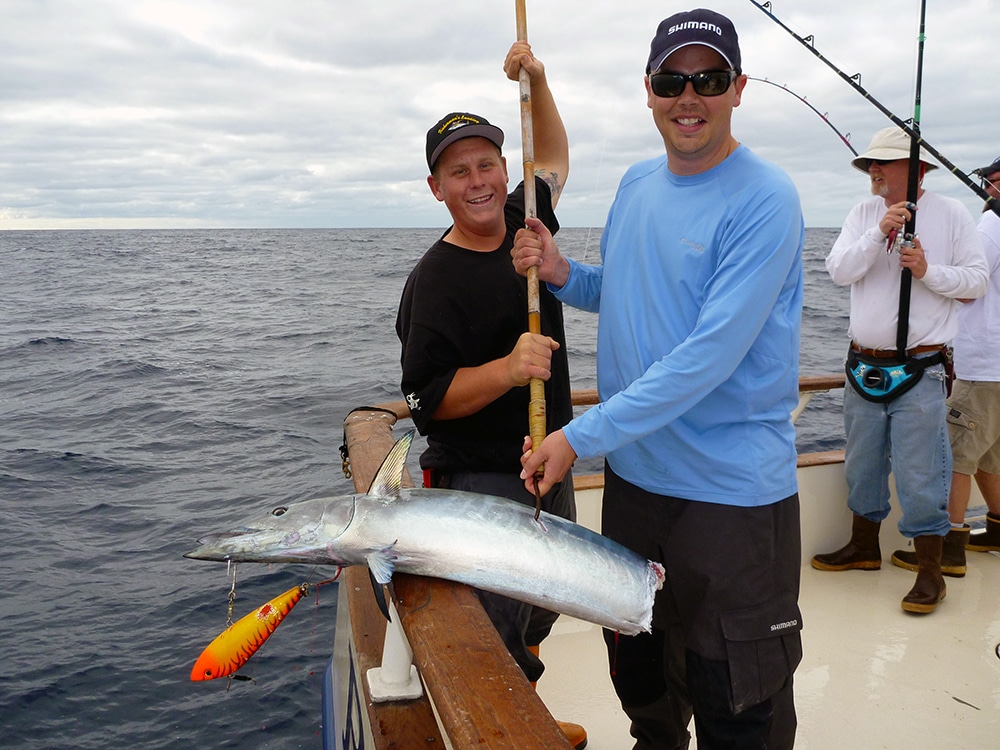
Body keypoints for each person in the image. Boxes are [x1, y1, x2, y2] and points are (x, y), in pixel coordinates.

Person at [512, 10, 805, 749]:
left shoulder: (766, 198)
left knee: (737, 699)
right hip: (638, 486)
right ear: (648, 90)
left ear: (737, 88)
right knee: (642, 675)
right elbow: (627, 290)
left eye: (708, 79)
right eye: (672, 79)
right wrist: (561, 273)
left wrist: (579, 435)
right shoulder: (638, 183)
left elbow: (709, 355)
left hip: (729, 501)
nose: (688, 96)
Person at [395, 41, 587, 748]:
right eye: (458, 172)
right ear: (436, 187)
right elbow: (423, 402)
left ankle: (525, 709)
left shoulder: (528, 224)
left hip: (551, 458)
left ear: (506, 171)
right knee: (496, 622)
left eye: (487, 165)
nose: (477, 181)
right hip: (481, 482)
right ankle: (502, 732)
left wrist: (539, 79)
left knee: (544, 604)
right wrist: (508, 370)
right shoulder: (432, 283)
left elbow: (557, 156)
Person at [813, 127, 988, 614]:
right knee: (862, 464)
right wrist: (879, 232)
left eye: (883, 163)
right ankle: (863, 546)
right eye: (870, 163)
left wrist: (928, 270)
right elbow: (839, 269)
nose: (873, 170)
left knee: (920, 472)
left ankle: (932, 571)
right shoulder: (862, 214)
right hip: (862, 365)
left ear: (916, 171)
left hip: (922, 369)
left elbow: (975, 282)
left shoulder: (952, 214)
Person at [891, 155, 1000, 575]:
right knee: (990, 455)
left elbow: (971, 290)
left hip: (983, 366)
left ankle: (950, 546)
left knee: (955, 454)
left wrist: (927, 271)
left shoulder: (990, 227)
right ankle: (996, 525)